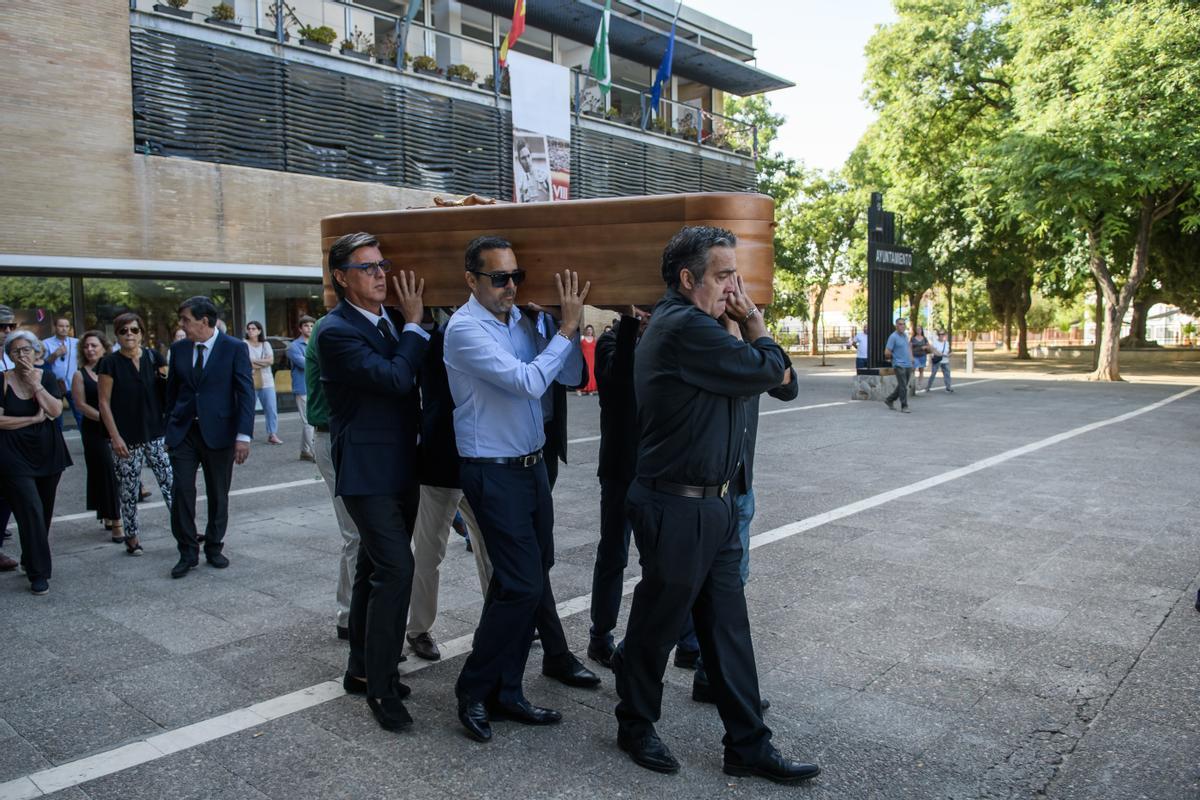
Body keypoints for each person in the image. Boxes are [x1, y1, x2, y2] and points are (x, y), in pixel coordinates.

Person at [613, 225, 819, 784]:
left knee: (727, 628)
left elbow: (786, 387)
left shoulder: (707, 330)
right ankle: (634, 724)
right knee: (657, 625)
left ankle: (748, 745)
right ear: (688, 279)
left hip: (717, 505)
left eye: (737, 274)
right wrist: (754, 324)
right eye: (725, 275)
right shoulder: (684, 328)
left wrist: (750, 335)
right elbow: (772, 369)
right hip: (675, 506)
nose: (737, 286)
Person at [444, 235, 592, 743]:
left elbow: (568, 375)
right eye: (499, 278)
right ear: (471, 281)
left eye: (516, 276)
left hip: (531, 466)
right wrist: (567, 328)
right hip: (491, 470)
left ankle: (506, 691)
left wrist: (554, 324)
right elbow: (530, 382)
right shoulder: (464, 330)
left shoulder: (524, 323)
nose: (510, 286)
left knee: (526, 577)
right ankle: (473, 688)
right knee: (521, 583)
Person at [317, 232, 429, 732]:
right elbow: (395, 380)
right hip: (366, 472)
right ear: (342, 277)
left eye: (382, 264)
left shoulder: (385, 323)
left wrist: (406, 327)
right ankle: (382, 689)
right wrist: (416, 327)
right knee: (397, 570)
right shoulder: (335, 331)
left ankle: (360, 669)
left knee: (371, 567)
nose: (381, 274)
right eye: (368, 267)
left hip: (401, 465)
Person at [407, 309, 493, 662]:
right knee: (429, 551)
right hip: (439, 460)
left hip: (480, 459)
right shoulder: (436, 337)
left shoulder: (484, 331)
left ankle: (498, 616)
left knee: (490, 547)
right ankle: (418, 629)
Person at [165, 296, 255, 579]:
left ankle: (214, 547)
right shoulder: (179, 349)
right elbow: (171, 392)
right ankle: (187, 552)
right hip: (184, 433)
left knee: (218, 493)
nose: (182, 326)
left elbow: (245, 393)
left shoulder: (234, 348)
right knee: (181, 491)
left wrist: (243, 436)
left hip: (219, 434)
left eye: (186, 321)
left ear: (204, 321)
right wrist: (168, 427)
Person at [587, 308, 648, 667]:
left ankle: (684, 642)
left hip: (657, 468)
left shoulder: (665, 339)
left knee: (661, 561)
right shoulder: (611, 340)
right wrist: (629, 327)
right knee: (612, 555)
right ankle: (600, 635)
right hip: (620, 468)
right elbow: (619, 379)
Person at [0, 331, 72, 594]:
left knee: (43, 512)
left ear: (36, 352)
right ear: (9, 356)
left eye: (26, 350)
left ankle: (30, 557)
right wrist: (30, 420)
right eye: (16, 351)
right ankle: (39, 573)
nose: (22, 355)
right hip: (12, 455)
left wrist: (35, 384)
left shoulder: (47, 377)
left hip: (47, 452)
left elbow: (54, 411)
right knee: (30, 509)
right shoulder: (2, 381)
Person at [97, 312, 174, 556]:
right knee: (129, 490)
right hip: (126, 437)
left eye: (134, 330)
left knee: (171, 485)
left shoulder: (154, 357)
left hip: (156, 433)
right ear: (116, 335)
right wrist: (115, 436)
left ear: (141, 332)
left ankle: (185, 530)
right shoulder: (109, 363)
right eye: (123, 331)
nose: (129, 334)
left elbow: (171, 392)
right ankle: (131, 536)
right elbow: (103, 403)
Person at [305, 314, 359, 641]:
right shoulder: (330, 329)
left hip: (343, 438)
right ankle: (351, 615)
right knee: (356, 533)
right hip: (334, 437)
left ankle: (348, 612)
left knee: (357, 534)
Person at [72, 330, 123, 543]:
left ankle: (108, 513)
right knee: (104, 472)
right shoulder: (79, 374)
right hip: (94, 430)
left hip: (118, 428)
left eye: (94, 345)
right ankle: (117, 521)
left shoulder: (113, 368)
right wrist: (105, 419)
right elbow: (80, 405)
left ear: (104, 347)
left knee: (117, 472)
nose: (90, 349)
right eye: (86, 346)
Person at [244, 321, 282, 445]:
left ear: (259, 331)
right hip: (250, 380)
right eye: (249, 329)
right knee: (248, 409)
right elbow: (245, 361)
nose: (250, 331)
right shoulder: (244, 344)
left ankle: (272, 434)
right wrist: (262, 362)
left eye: (253, 329)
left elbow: (271, 360)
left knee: (271, 408)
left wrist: (254, 362)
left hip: (267, 381)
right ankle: (246, 435)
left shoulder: (265, 344)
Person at [42, 316, 82, 430]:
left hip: (73, 384)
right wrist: (55, 354)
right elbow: (44, 364)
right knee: (57, 418)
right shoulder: (46, 343)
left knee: (80, 416)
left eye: (67, 326)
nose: (64, 329)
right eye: (61, 326)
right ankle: (59, 446)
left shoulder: (76, 342)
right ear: (55, 327)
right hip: (55, 385)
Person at [287, 316, 316, 461]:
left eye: (312, 326)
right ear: (300, 328)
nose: (309, 328)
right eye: (306, 326)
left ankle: (304, 451)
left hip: (315, 386)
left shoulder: (315, 343)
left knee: (308, 421)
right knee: (308, 421)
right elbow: (306, 364)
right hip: (302, 387)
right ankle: (313, 452)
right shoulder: (294, 346)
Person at [884, 317, 913, 413]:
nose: (902, 326)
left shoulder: (905, 336)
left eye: (903, 324)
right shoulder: (893, 337)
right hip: (899, 364)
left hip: (907, 364)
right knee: (903, 386)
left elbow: (908, 348)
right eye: (900, 324)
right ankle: (904, 406)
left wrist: (911, 359)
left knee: (902, 385)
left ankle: (889, 400)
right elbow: (887, 352)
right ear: (896, 326)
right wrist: (894, 358)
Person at [577, 324, 597, 395]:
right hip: (584, 358)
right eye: (588, 330)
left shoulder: (595, 339)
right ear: (586, 331)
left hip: (592, 359)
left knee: (591, 374)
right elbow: (578, 348)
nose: (589, 331)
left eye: (590, 330)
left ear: (592, 331)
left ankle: (590, 389)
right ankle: (579, 389)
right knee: (584, 373)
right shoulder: (582, 338)